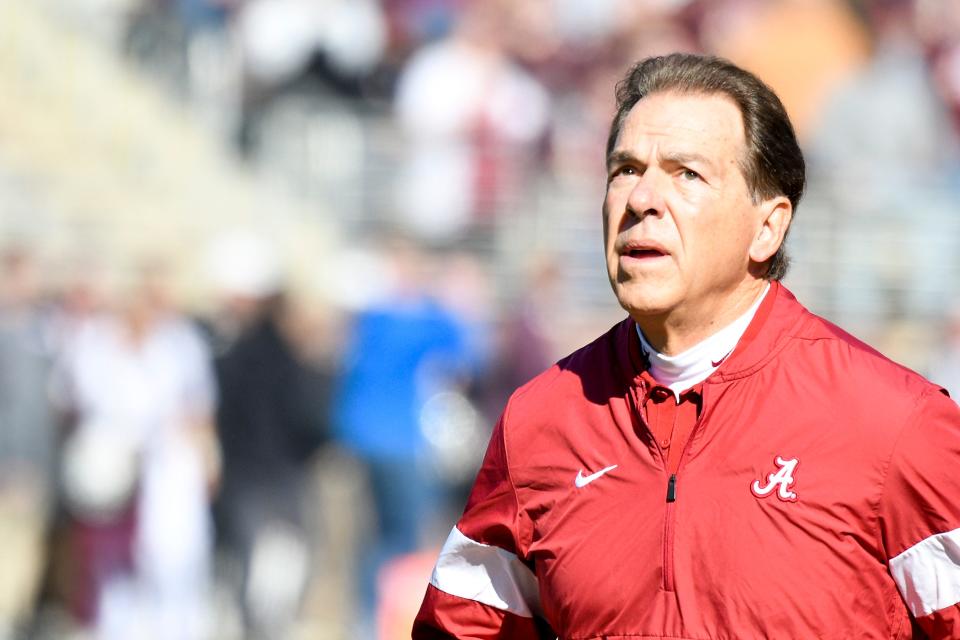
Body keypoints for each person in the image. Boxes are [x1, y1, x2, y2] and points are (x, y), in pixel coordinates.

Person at [412, 53, 960, 639]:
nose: (642, 199)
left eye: (686, 174)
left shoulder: (895, 421)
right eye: (625, 169)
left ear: (768, 227)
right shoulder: (540, 422)